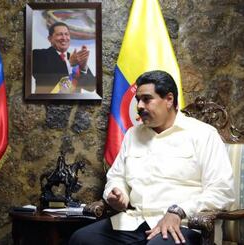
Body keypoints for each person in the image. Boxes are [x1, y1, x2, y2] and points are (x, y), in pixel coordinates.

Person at [69, 70, 235, 245]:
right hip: (133, 222)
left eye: (147, 99)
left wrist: (178, 211)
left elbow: (222, 191)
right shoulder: (133, 134)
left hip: (183, 225)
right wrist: (119, 195)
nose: (139, 106)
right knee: (81, 239)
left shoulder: (204, 135)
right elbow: (116, 177)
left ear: (169, 100)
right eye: (137, 100)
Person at [32, 22, 96, 94]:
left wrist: (83, 68)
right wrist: (69, 64)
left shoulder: (75, 58)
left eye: (66, 34)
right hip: (47, 103)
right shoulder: (38, 55)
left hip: (73, 104)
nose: (64, 38)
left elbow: (91, 87)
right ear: (50, 39)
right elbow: (48, 80)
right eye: (59, 34)